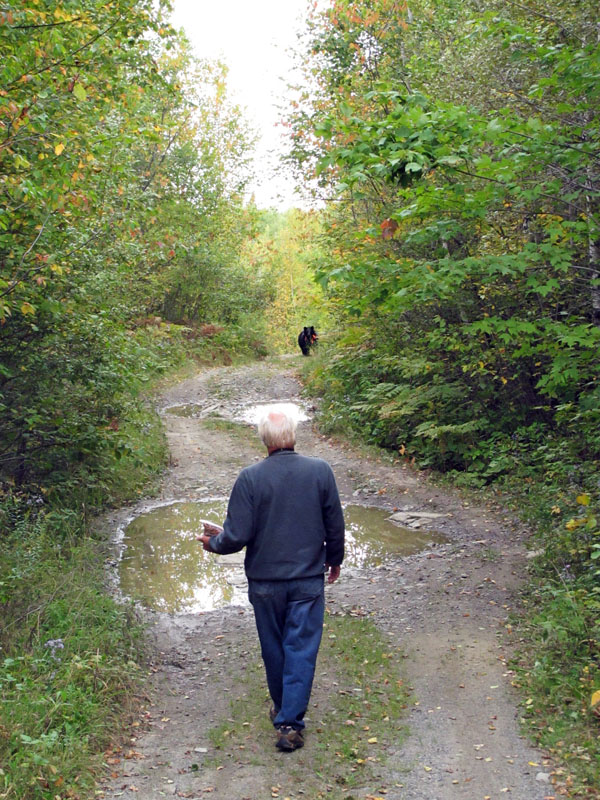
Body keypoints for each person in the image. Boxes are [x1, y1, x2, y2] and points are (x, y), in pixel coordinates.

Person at [198, 410, 345, 752]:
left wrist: (214, 543)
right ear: (293, 435)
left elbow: (238, 535)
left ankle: (285, 712)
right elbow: (334, 524)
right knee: (301, 648)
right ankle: (289, 720)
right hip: (307, 579)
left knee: (274, 647)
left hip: (265, 583)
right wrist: (334, 560)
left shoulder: (250, 478)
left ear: (264, 440)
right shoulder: (320, 471)